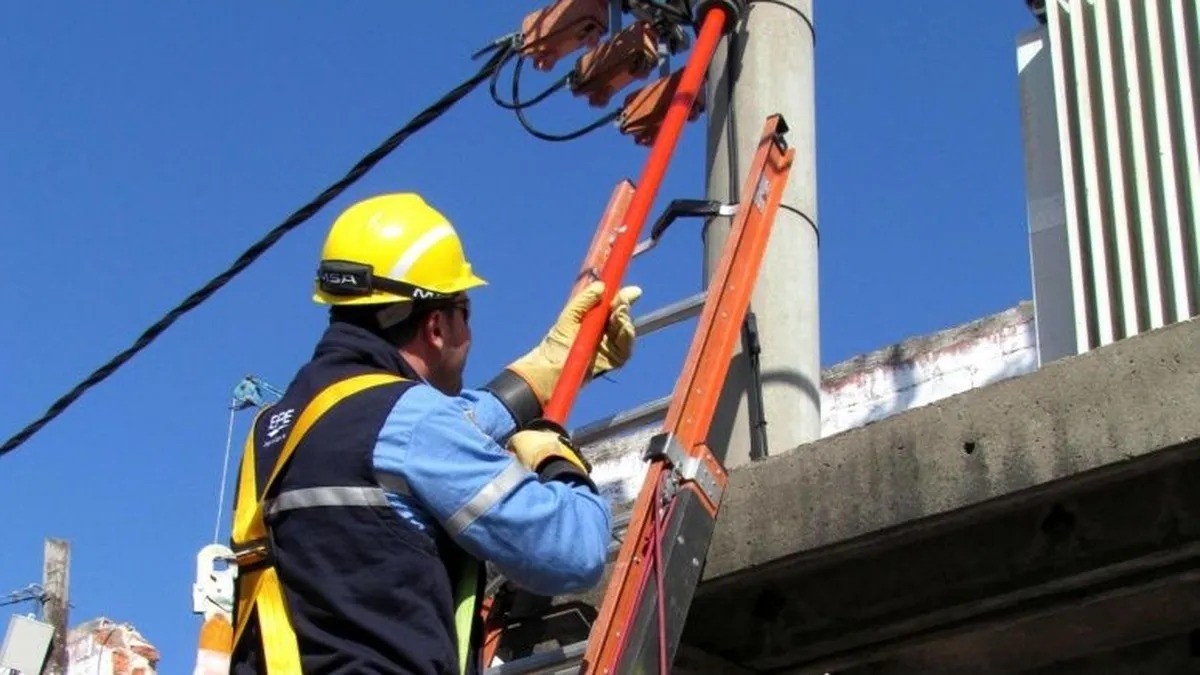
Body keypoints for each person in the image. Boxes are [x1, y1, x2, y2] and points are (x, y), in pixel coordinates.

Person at [228, 192, 642, 675]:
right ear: (436, 326)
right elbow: (573, 552)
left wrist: (548, 366)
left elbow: (430, 432)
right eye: (465, 308)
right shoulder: (413, 423)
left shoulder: (275, 431)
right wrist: (557, 458)